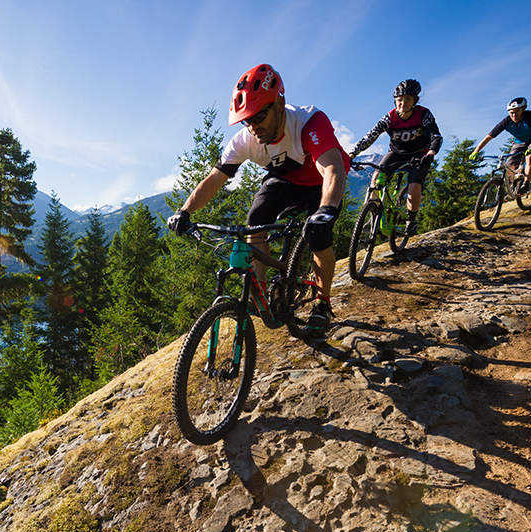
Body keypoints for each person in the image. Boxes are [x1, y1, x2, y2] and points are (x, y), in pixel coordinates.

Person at [166, 64, 350, 334]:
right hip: (285, 179)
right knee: (254, 222)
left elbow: (332, 167)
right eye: (246, 120)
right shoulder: (244, 141)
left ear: (279, 104)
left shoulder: (308, 121)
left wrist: (327, 210)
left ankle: (322, 303)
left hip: (321, 183)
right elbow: (215, 178)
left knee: (318, 236)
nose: (253, 127)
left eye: (259, 117)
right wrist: (185, 211)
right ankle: (262, 295)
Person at [347, 79, 442, 233]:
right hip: (396, 153)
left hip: (419, 155)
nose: (402, 103)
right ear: (395, 101)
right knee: (376, 178)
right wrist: (353, 153)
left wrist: (431, 152)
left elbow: (436, 136)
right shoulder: (390, 118)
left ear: (414, 101)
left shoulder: (423, 114)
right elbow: (371, 136)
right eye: (399, 100)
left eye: (407, 99)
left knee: (414, 184)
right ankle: (372, 215)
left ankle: (411, 220)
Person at [470, 97, 531, 193]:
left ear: (523, 109)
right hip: (520, 142)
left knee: (530, 157)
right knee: (509, 165)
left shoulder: (530, 116)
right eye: (511, 113)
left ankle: (526, 184)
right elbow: (488, 137)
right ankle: (513, 188)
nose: (514, 115)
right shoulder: (506, 121)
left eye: (516, 111)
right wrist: (476, 151)